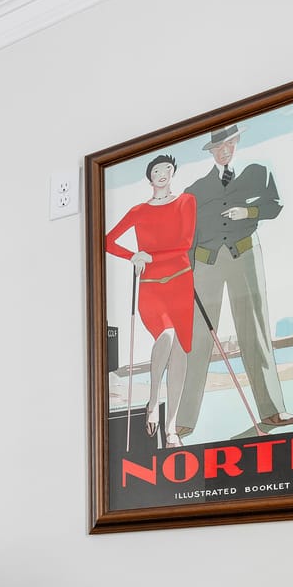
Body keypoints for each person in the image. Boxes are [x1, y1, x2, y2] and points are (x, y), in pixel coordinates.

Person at [177, 125, 293, 439]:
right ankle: (183, 419)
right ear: (211, 151)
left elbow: (275, 206)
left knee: (254, 332)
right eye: (217, 147)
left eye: (228, 143)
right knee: (197, 341)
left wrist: (249, 211)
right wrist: (186, 275)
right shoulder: (195, 189)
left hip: (245, 256)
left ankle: (272, 410)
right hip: (206, 263)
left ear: (236, 142)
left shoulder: (258, 172)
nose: (223, 150)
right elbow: (186, 236)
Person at [104, 154, 198, 446]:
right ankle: (154, 400)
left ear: (173, 172)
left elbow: (185, 243)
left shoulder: (186, 202)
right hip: (151, 287)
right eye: (156, 170)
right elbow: (107, 241)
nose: (161, 174)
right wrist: (132, 255)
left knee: (182, 351)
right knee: (167, 335)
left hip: (181, 283)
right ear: (149, 177)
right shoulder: (139, 210)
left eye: (166, 169)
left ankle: (171, 428)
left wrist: (151, 256)